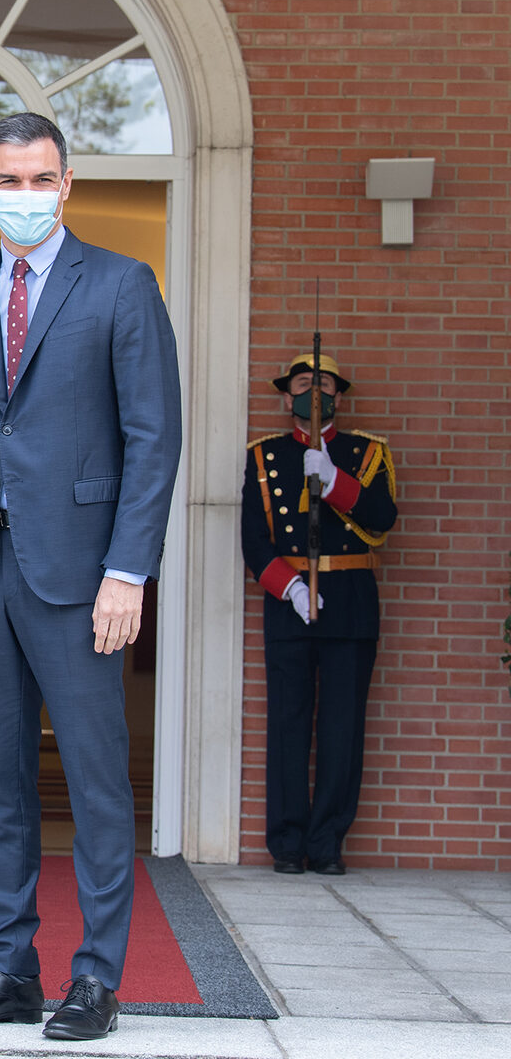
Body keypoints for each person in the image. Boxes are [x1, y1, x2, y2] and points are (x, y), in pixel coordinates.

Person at [0, 112, 181, 1041]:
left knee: (98, 783)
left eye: (40, 179)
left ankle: (97, 978)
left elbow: (153, 440)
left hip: (83, 578)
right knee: (0, 786)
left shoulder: (121, 284)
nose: (24, 195)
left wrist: (128, 571)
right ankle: (9, 968)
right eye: (8, 180)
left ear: (67, 185)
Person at [242, 353, 395, 876]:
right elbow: (253, 540)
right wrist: (291, 588)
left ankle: (327, 842)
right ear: (287, 396)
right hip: (290, 604)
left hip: (350, 602)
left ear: (339, 397)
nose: (313, 392)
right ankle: (287, 843)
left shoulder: (366, 453)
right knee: (287, 724)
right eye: (304, 383)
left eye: (323, 384)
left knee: (341, 727)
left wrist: (333, 481)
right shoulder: (264, 457)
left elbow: (383, 517)